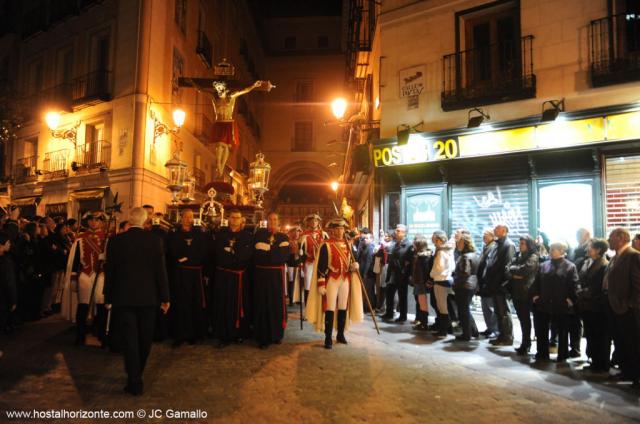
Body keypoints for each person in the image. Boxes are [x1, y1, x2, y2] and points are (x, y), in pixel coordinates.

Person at [104, 207, 170, 396]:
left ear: (130, 220)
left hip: (123, 298)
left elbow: (111, 272)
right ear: (145, 221)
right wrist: (165, 298)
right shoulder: (155, 241)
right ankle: (136, 376)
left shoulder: (116, 241)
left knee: (130, 339)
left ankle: (134, 378)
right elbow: (160, 272)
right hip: (148, 299)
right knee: (144, 339)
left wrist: (108, 296)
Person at [306, 218, 363, 349]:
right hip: (332, 279)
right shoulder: (326, 245)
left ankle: (341, 334)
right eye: (337, 229)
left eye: (342, 228)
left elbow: (353, 259)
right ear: (332, 230)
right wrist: (321, 283)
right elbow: (321, 265)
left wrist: (355, 265)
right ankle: (328, 337)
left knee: (343, 306)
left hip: (345, 279)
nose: (339, 231)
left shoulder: (349, 244)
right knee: (330, 308)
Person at [64, 211, 108, 346]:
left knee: (101, 306)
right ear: (87, 221)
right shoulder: (81, 237)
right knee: (83, 306)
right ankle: (80, 335)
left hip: (101, 274)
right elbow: (75, 259)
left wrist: (105, 260)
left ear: (101, 222)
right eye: (91, 220)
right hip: (85, 274)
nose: (94, 222)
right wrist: (72, 277)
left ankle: (102, 335)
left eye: (97, 220)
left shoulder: (107, 237)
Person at [531, 242, 579, 362]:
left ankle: (563, 355)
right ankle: (542, 353)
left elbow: (574, 284)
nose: (551, 251)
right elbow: (536, 282)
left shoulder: (570, 266)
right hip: (544, 303)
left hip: (561, 304)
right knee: (542, 330)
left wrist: (570, 300)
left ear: (562, 251)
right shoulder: (543, 265)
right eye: (551, 249)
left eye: (554, 249)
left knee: (562, 331)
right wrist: (535, 296)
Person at [212, 209, 253, 348]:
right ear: (228, 219)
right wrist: (235, 255)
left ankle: (239, 333)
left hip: (239, 277)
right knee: (223, 304)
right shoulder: (221, 235)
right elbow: (218, 254)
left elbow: (247, 255)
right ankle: (224, 335)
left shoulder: (247, 236)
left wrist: (231, 253)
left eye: (237, 217)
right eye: (232, 217)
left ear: (242, 220)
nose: (235, 220)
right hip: (224, 276)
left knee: (239, 305)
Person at [605, 228, 640, 387]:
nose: (609, 240)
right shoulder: (615, 257)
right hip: (615, 308)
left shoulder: (633, 256)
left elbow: (637, 285)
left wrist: (630, 305)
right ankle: (625, 371)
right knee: (621, 342)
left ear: (620, 238)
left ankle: (634, 375)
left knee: (631, 343)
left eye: (611, 237)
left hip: (627, 310)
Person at [167, 209, 208, 347]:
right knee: (180, 303)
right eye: (185, 216)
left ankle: (193, 334)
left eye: (190, 217)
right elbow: (173, 250)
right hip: (180, 273)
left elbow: (202, 251)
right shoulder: (175, 234)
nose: (188, 219)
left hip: (195, 274)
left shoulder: (199, 234)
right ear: (181, 218)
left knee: (194, 303)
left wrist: (188, 258)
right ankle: (179, 335)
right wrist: (184, 258)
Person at [252, 212, 290, 349]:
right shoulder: (258, 236)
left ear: (278, 221)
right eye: (270, 219)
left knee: (276, 305)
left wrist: (268, 250)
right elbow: (258, 255)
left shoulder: (284, 237)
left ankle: (276, 334)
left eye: (275, 219)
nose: (272, 221)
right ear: (267, 221)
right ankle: (263, 337)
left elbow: (282, 257)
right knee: (262, 304)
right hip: (261, 277)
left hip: (276, 278)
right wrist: (274, 250)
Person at [576, 238, 610, 373]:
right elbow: (579, 279)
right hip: (586, 305)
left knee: (599, 335)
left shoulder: (603, 265)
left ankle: (601, 363)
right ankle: (594, 360)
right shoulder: (587, 262)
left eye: (590, 247)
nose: (587, 249)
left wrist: (581, 292)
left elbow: (597, 287)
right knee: (590, 334)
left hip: (596, 305)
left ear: (598, 250)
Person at [484, 224, 516, 346]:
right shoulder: (497, 244)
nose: (495, 230)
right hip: (494, 284)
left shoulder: (509, 245)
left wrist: (501, 283)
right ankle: (501, 335)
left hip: (501, 285)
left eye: (497, 228)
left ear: (504, 231)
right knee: (498, 312)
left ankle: (507, 337)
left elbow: (506, 266)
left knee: (504, 312)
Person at [506, 235, 539, 355]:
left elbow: (524, 270)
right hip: (515, 291)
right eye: (519, 243)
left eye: (523, 243)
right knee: (521, 318)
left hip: (526, 291)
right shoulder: (517, 255)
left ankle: (526, 344)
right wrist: (515, 273)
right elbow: (507, 268)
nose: (520, 246)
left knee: (525, 319)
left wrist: (514, 271)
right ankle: (525, 343)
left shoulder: (533, 257)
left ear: (529, 244)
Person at [384, 224, 413, 323]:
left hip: (401, 274)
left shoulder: (409, 245)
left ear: (404, 233)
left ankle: (403, 316)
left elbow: (409, 261)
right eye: (396, 230)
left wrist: (404, 271)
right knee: (389, 293)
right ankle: (389, 313)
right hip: (392, 273)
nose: (396, 232)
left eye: (399, 231)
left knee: (402, 295)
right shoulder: (395, 244)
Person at [453, 233, 479, 341]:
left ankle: (466, 334)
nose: (458, 244)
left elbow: (464, 272)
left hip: (464, 285)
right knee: (465, 309)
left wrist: (455, 278)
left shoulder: (464, 257)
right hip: (472, 284)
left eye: (459, 242)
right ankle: (473, 331)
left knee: (463, 311)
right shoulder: (474, 255)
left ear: (465, 243)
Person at [430, 230, 455, 338]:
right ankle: (446, 328)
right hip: (447, 279)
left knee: (441, 306)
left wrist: (432, 274)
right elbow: (452, 266)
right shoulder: (449, 250)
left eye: (434, 238)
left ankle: (443, 330)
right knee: (444, 306)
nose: (432, 239)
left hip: (440, 280)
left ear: (438, 239)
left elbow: (438, 267)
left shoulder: (440, 251)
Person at [298, 214, 328, 305]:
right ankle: (307, 306)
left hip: (320, 263)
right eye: (312, 221)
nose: (314, 223)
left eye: (315, 221)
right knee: (307, 284)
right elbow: (300, 248)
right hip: (309, 262)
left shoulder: (323, 234)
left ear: (318, 222)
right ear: (309, 223)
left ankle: (320, 306)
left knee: (321, 284)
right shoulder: (304, 234)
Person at [476, 229, 498, 338]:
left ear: (492, 236)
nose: (483, 236)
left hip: (487, 283)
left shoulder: (493, 247)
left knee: (490, 308)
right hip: (483, 283)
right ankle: (490, 328)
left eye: (486, 235)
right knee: (485, 308)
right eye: (483, 234)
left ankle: (494, 330)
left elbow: (488, 266)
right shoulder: (486, 247)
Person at [0, 232, 17, 359]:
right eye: (8, 242)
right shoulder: (5, 262)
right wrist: (13, 300)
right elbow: (9, 282)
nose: (10, 244)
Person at [411, 234, 432, 331]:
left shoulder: (423, 256)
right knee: (421, 303)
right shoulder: (422, 255)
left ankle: (424, 323)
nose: (413, 245)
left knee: (422, 303)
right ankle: (422, 322)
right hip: (420, 281)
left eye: (415, 244)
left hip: (421, 282)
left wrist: (427, 281)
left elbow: (426, 270)